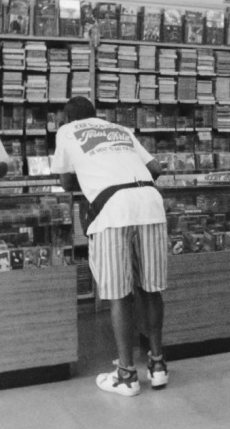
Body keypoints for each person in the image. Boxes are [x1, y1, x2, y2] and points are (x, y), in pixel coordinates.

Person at [51, 96, 168, 397]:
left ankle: (127, 374)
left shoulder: (67, 131)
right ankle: (157, 366)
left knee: (119, 294)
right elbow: (154, 167)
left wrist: (94, 177)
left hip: (112, 211)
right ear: (96, 115)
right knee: (151, 288)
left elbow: (65, 182)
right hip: (151, 203)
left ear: (68, 118)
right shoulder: (119, 129)